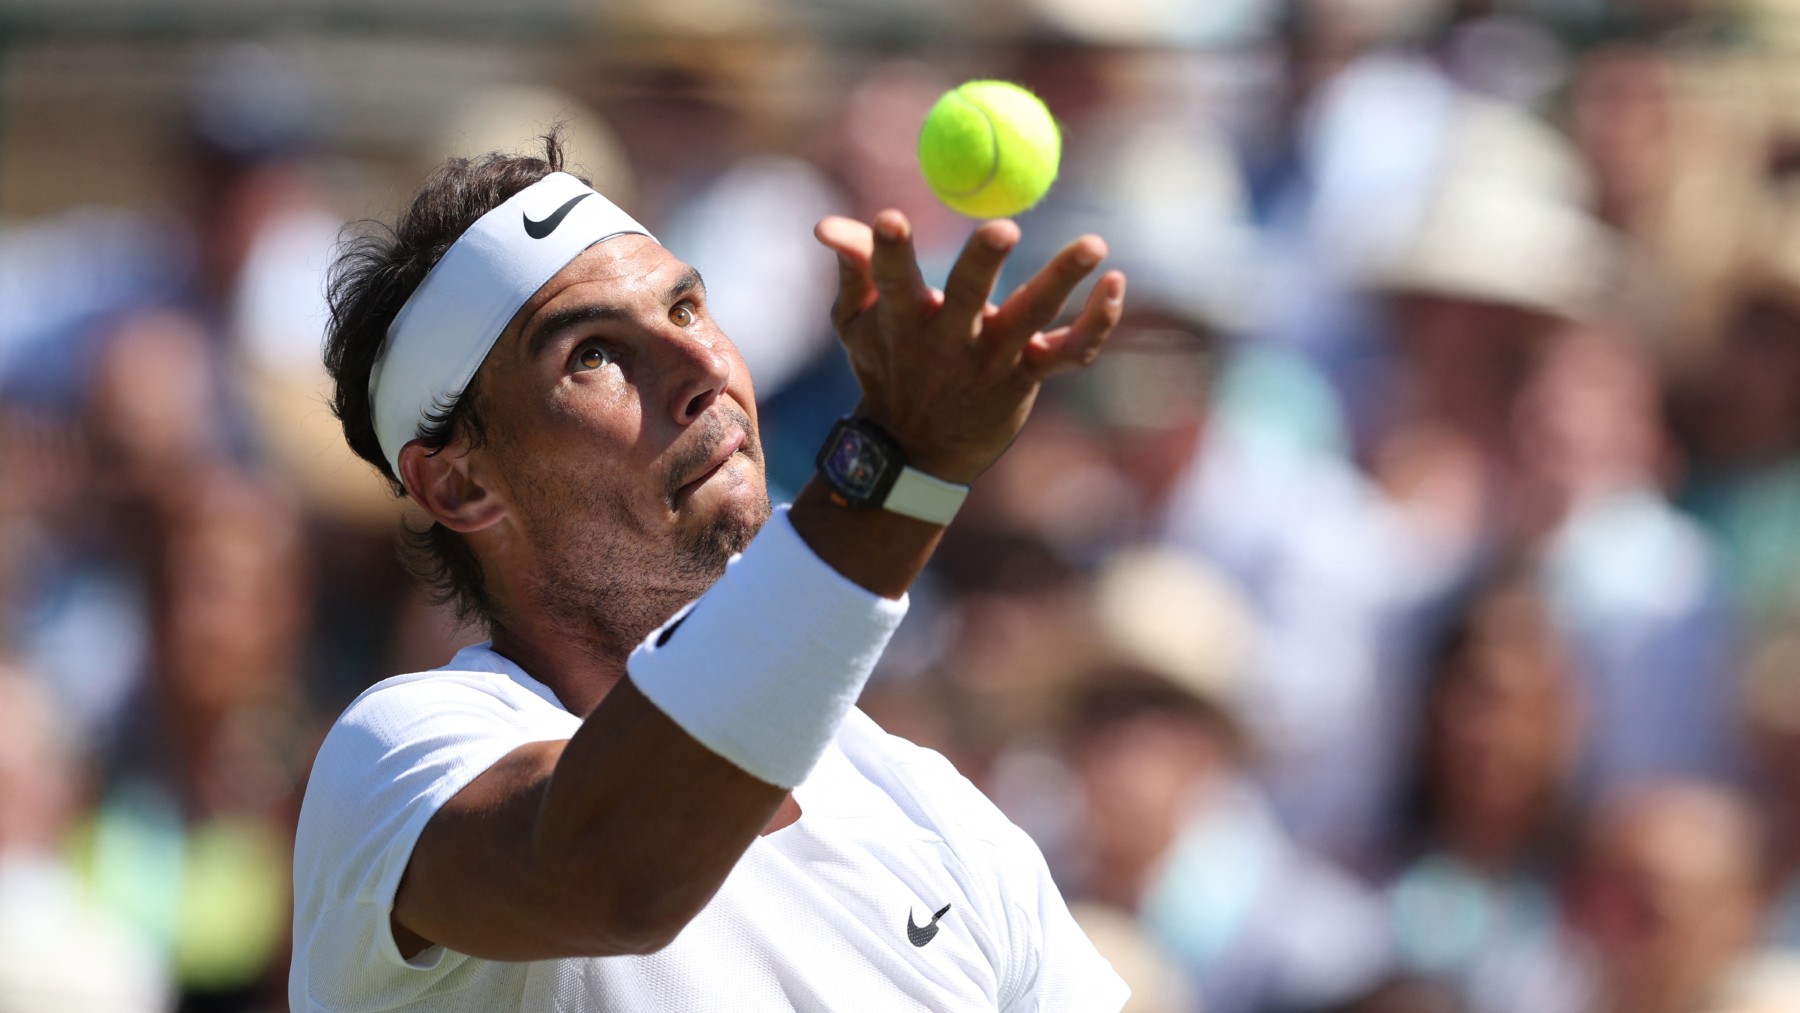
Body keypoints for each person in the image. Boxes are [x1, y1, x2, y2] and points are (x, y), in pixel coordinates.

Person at [288, 134, 1131, 1011]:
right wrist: (897, 472)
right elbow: (614, 874)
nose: (703, 370)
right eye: (593, 353)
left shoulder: (933, 815)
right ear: (459, 483)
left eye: (687, 309)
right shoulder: (395, 758)